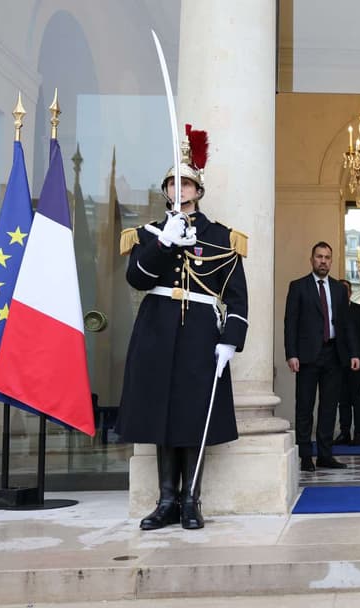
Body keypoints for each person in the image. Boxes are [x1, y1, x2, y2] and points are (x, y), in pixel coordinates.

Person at [116, 125, 248, 530]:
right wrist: (164, 244)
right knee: (160, 416)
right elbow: (137, 279)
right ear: (166, 190)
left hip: (199, 333)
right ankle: (166, 501)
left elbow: (237, 296)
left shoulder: (222, 236)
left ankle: (191, 500)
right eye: (173, 183)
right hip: (157, 329)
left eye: (186, 183)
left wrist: (231, 341)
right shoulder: (150, 234)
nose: (179, 188)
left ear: (198, 191)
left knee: (194, 416)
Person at [284, 242, 360, 471]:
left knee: (329, 408)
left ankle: (326, 456)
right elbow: (291, 323)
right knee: (305, 407)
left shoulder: (338, 289)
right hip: (307, 356)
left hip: (334, 355)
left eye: (327, 257)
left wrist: (354, 353)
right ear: (312, 259)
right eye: (319, 257)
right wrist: (291, 354)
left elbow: (347, 325)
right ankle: (306, 457)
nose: (323, 261)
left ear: (331, 260)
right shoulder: (298, 287)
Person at [335, 279, 360, 446]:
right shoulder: (332, 312)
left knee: (357, 399)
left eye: (346, 291)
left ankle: (359, 434)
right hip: (337, 362)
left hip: (357, 364)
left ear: (350, 293)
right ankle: (344, 433)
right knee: (342, 400)